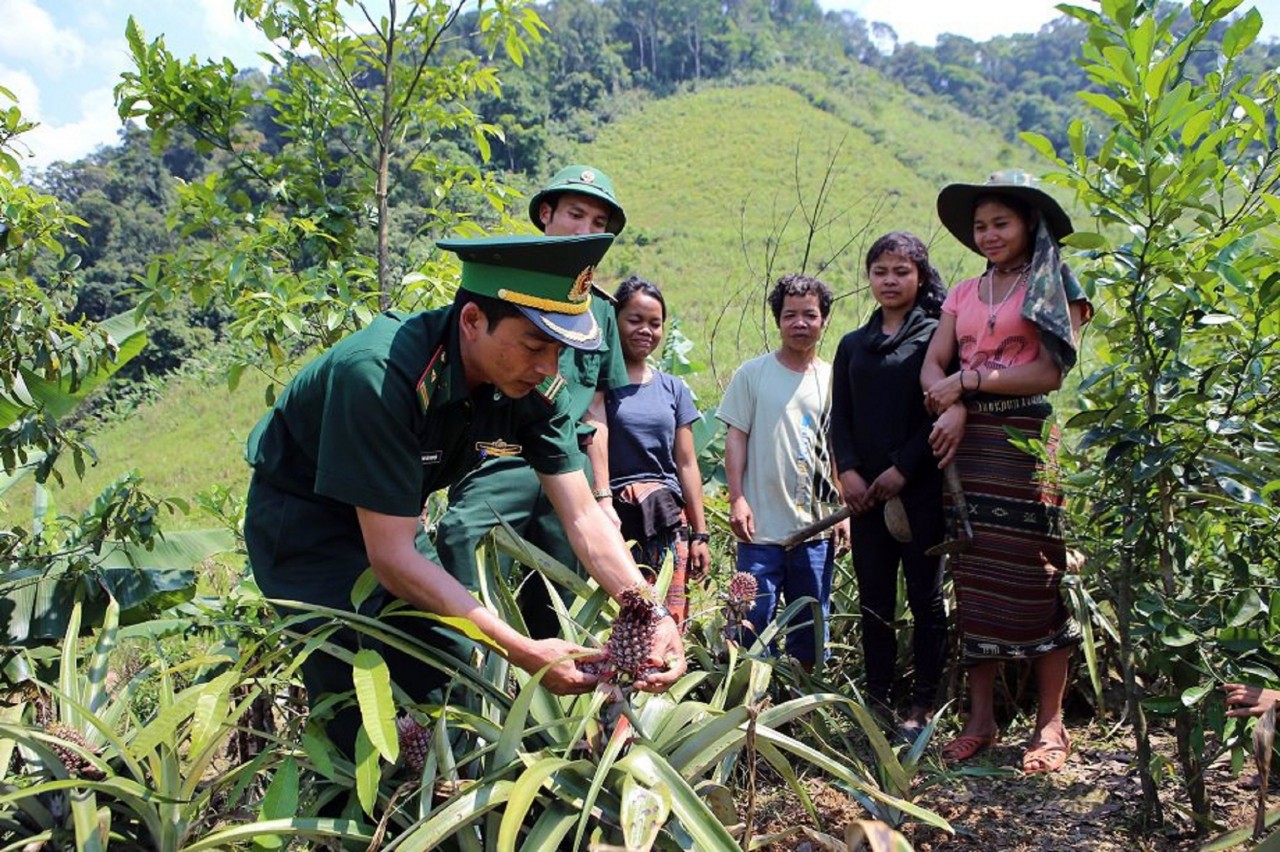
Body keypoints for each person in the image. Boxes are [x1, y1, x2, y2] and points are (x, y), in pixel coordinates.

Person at [244, 232, 686, 757]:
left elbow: (585, 517)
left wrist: (651, 612)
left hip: (396, 519)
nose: (549, 365)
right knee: (353, 687)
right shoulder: (379, 375)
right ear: (473, 321)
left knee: (449, 655)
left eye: (560, 349)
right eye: (534, 345)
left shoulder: (530, 386)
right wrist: (523, 650)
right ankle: (362, 822)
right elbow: (389, 557)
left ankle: (439, 793)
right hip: (307, 524)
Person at [921, 170, 1092, 774]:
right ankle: (981, 717)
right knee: (974, 572)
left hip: (1024, 443)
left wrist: (967, 385)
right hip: (965, 447)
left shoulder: (1055, 284)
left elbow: (1049, 371)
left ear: (1029, 225)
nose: (989, 235)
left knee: (1037, 572)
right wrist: (955, 404)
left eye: (1001, 223)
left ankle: (1051, 722)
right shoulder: (964, 292)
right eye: (981, 226)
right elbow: (933, 363)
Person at [430, 165, 631, 639]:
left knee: (563, 593)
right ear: (546, 213)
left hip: (567, 459)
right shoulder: (509, 280)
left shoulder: (599, 308)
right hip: (505, 453)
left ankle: (550, 698)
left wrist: (603, 495)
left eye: (598, 224)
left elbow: (594, 408)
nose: (585, 231)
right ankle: (461, 672)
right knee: (463, 543)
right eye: (575, 215)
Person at [830, 232, 949, 738]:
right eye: (880, 271)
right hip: (865, 498)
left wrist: (904, 467)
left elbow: (942, 409)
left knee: (925, 598)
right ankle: (877, 697)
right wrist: (848, 472)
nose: (890, 280)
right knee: (875, 596)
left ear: (920, 276)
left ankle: (924, 701)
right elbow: (841, 414)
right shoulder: (853, 344)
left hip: (921, 489)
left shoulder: (937, 336)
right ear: (869, 277)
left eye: (901, 271)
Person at [718, 273, 846, 669]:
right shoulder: (752, 375)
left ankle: (804, 709)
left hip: (816, 529)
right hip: (760, 528)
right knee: (751, 624)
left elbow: (841, 448)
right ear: (778, 320)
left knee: (810, 624)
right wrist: (737, 497)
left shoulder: (834, 379)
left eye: (810, 314)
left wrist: (843, 510)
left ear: (824, 319)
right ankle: (748, 702)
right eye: (790, 315)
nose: (800, 323)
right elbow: (735, 439)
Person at [605, 276, 711, 626]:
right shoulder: (597, 387)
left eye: (655, 323)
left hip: (667, 519)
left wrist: (700, 533)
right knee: (617, 622)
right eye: (635, 320)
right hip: (613, 518)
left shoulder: (673, 388)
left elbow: (687, 463)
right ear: (615, 320)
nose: (645, 331)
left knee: (667, 621)